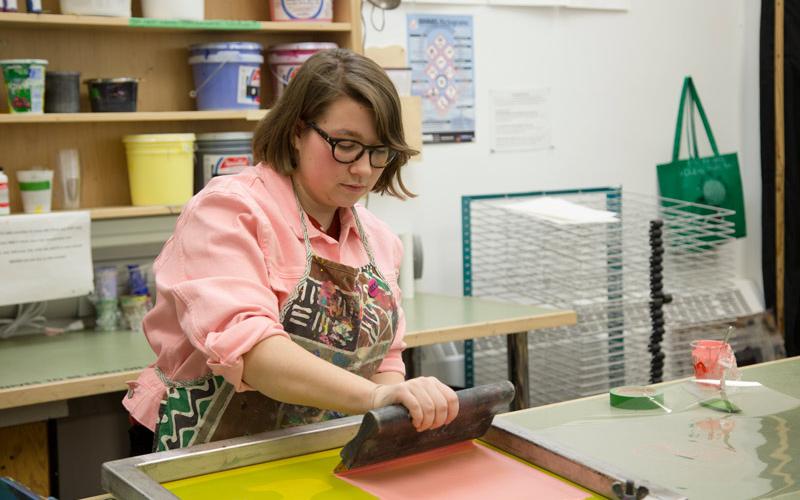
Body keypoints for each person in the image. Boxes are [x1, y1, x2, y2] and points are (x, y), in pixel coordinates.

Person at [124, 48, 459, 454]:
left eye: (378, 152)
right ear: (298, 132)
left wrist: (393, 404)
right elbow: (254, 354)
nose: (363, 169)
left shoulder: (377, 239)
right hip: (209, 451)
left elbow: (385, 362)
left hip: (315, 450)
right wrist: (373, 399)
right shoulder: (229, 211)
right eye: (347, 145)